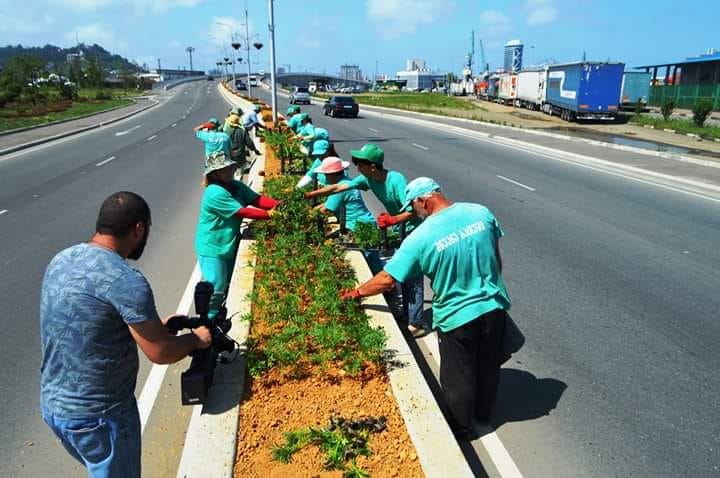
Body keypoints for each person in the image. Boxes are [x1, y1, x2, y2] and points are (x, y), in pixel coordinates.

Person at [40, 192, 213, 477]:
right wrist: (197, 339)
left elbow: (88, 317)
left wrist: (157, 326)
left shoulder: (62, 259)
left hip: (55, 408)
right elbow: (161, 352)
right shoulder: (125, 279)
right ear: (139, 229)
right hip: (101, 416)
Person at [340, 177, 511, 439]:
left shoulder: (421, 237)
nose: (413, 211)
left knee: (458, 377)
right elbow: (496, 260)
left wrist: (357, 292)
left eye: (414, 205)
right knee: (488, 365)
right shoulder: (480, 212)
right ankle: (484, 413)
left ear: (424, 200)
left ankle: (463, 428)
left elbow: (387, 279)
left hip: (457, 315)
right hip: (494, 306)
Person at [305, 144, 431, 336]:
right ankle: (408, 315)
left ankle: (416, 324)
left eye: (360, 165)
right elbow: (339, 186)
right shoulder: (368, 179)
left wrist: (393, 219)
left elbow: (413, 208)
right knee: (403, 274)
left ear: (372, 166)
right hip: (398, 229)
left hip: (412, 230)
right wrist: (310, 195)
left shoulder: (396, 180)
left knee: (412, 277)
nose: (358, 170)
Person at [195, 153, 279, 317]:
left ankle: (220, 317)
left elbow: (256, 200)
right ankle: (208, 323)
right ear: (215, 173)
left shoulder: (235, 186)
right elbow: (241, 211)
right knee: (216, 286)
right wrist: (270, 215)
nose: (228, 171)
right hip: (212, 246)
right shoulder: (214, 192)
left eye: (229, 168)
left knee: (227, 284)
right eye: (223, 169)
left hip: (229, 242)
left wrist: (280, 205)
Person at [313, 156, 383, 274]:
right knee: (373, 261)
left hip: (358, 227)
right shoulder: (345, 181)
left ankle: (388, 290)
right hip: (365, 223)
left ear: (332, 174)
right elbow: (327, 204)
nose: (324, 177)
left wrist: (307, 213)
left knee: (371, 263)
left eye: (325, 174)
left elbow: (326, 209)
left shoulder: (340, 188)